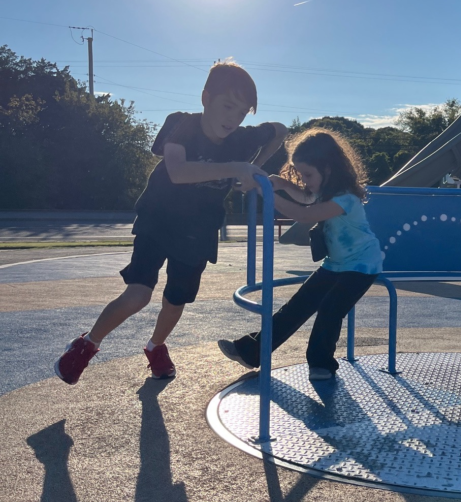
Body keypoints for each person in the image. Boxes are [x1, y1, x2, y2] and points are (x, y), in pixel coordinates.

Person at [55, 60, 287, 384]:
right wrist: (238, 167)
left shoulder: (243, 139)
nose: (233, 118)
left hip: (200, 230)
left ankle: (156, 346)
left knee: (176, 300)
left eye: (242, 111)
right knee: (138, 295)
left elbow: (280, 131)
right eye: (227, 106)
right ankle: (86, 344)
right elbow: (178, 171)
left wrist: (253, 168)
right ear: (206, 98)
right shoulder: (182, 125)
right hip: (160, 218)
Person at [218, 128, 382, 380]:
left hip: (361, 265)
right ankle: (250, 351)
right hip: (336, 264)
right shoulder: (324, 192)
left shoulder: (346, 198)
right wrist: (281, 183)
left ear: (328, 169)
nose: (304, 180)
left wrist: (266, 192)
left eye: (308, 174)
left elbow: (305, 214)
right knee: (296, 307)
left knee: (330, 308)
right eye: (301, 174)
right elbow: (306, 197)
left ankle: (321, 364)